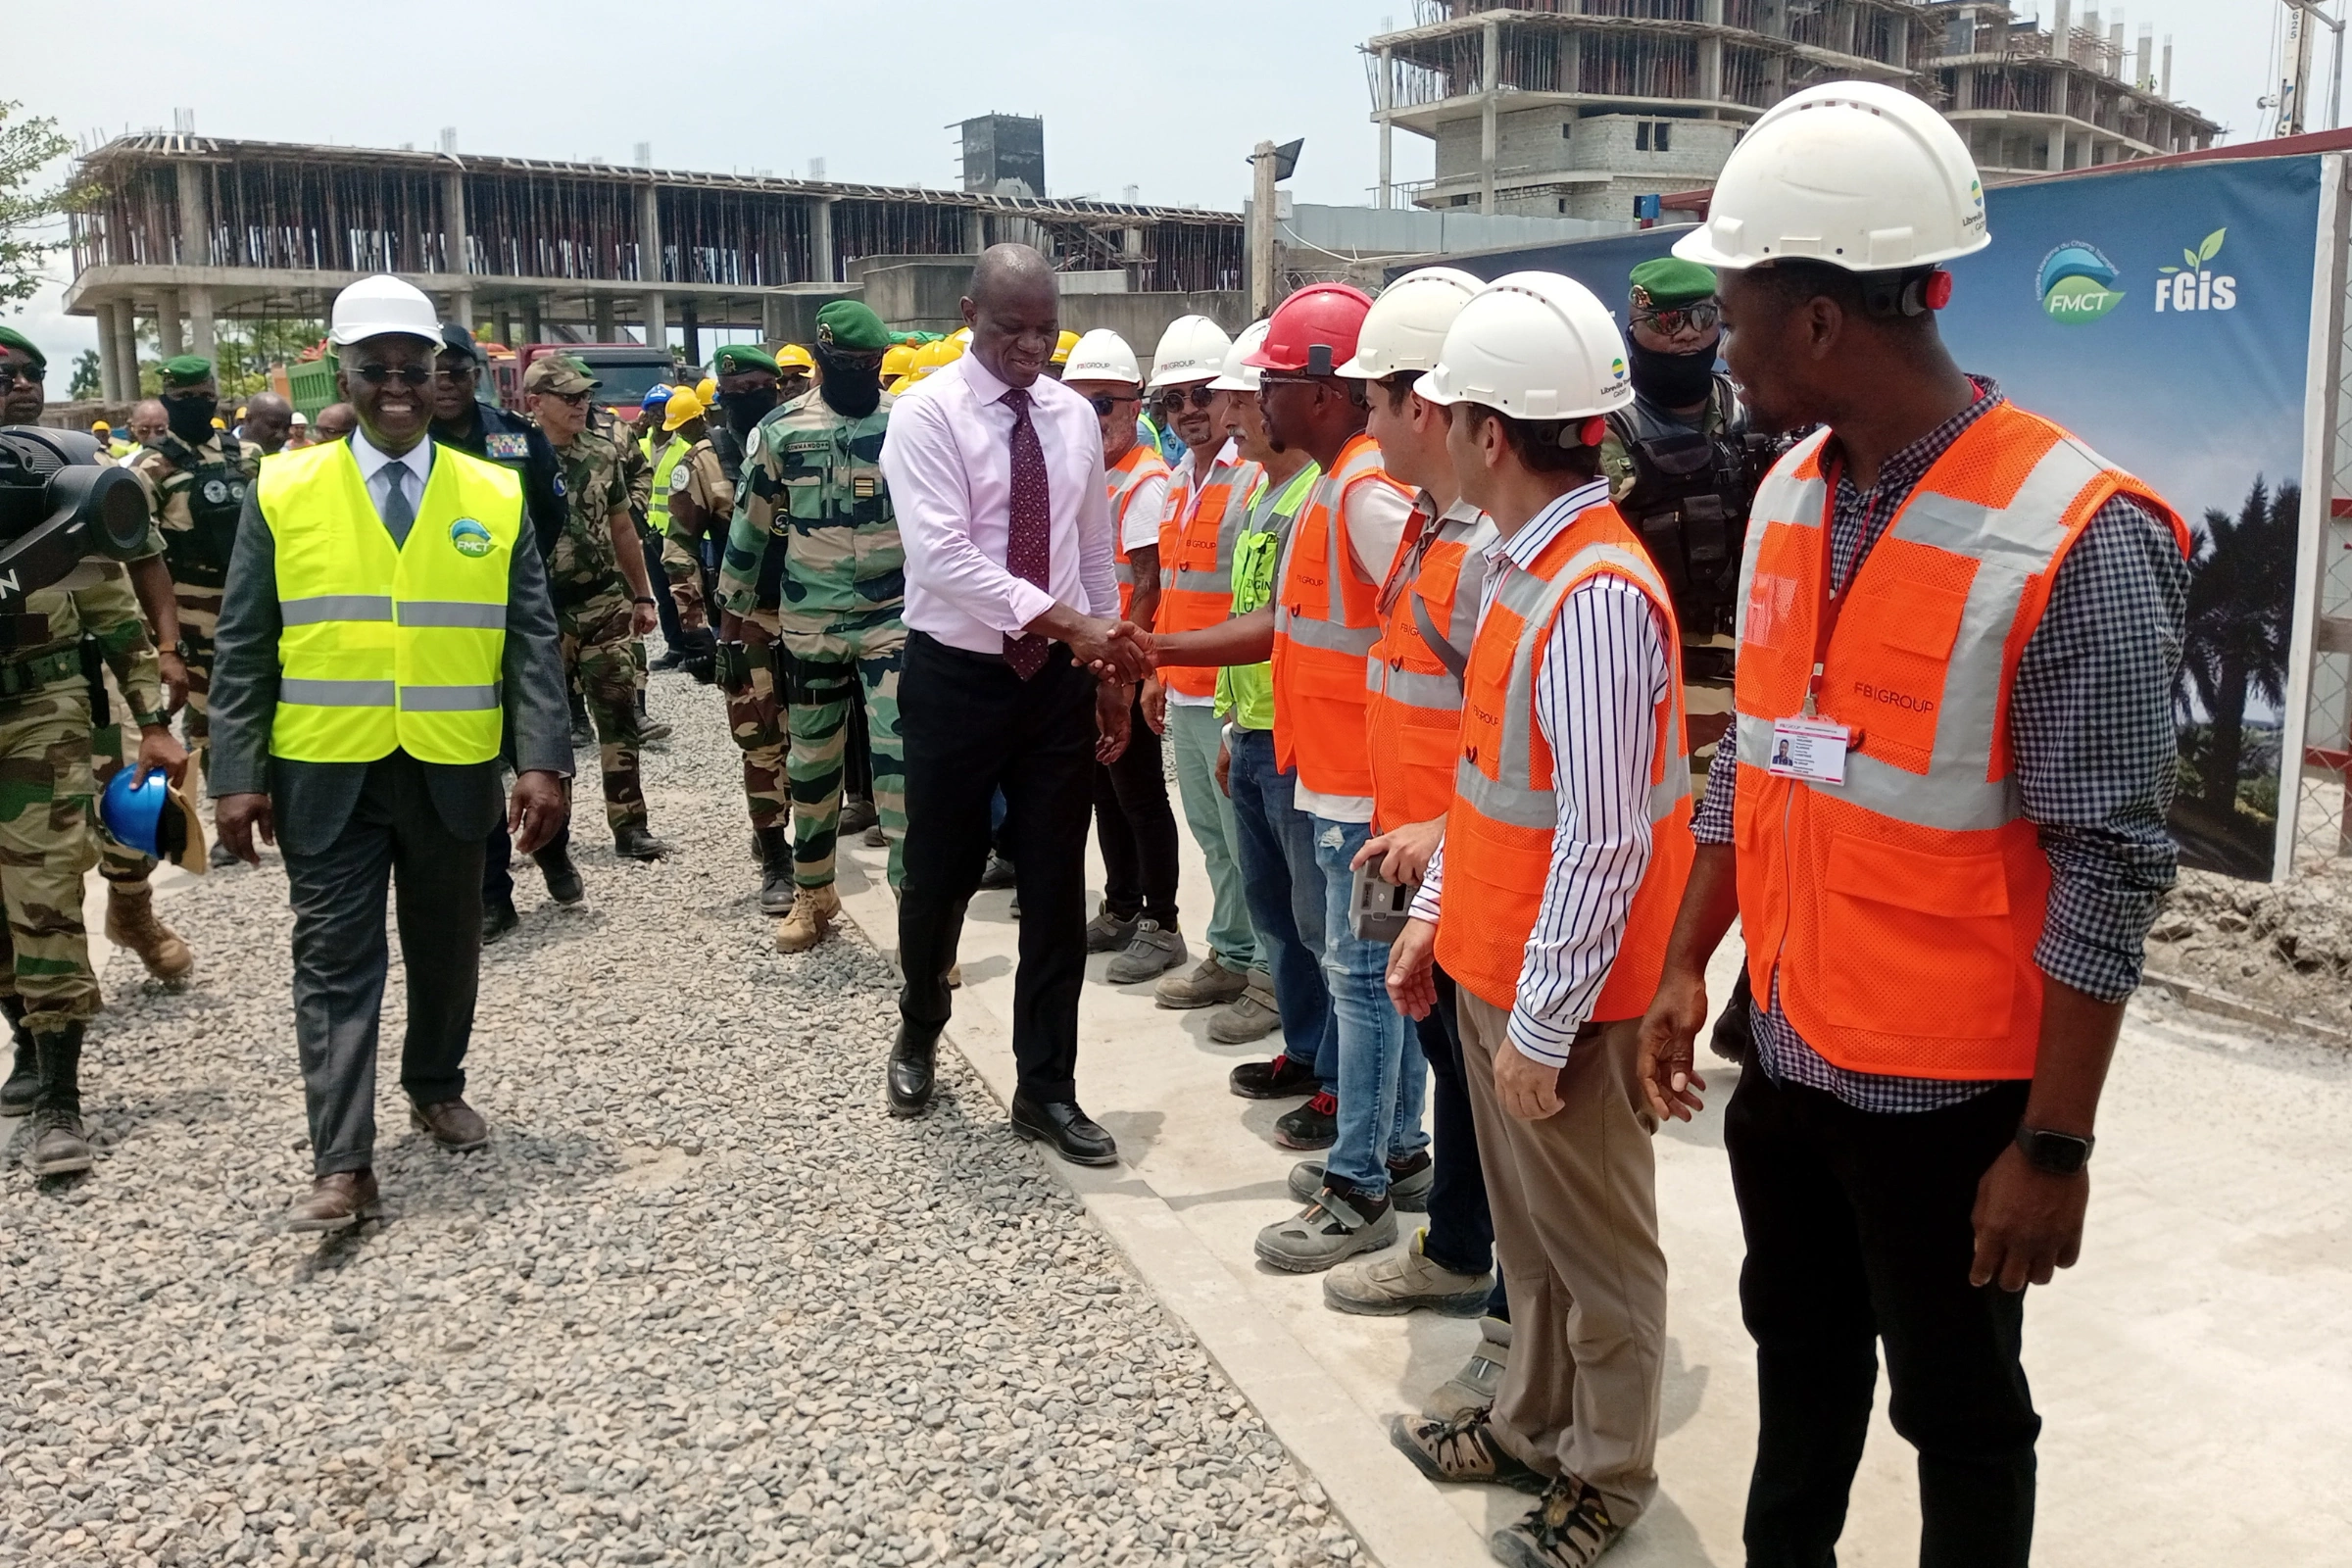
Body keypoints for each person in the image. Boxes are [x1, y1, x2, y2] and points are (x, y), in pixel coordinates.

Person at [1634, 83, 2191, 1568]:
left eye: (1738, 308)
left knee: (1960, 1413)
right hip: (1794, 1050)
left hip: (1953, 1107)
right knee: (1797, 1370)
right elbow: (1756, 763)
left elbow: (2113, 864)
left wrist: (2054, 1146)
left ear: (1820, 322)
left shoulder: (2076, 536)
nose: (1719, 344)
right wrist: (1693, 963)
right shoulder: (1791, 495)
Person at [1377, 270, 1684, 1568]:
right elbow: (1488, 785)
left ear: (1489, 433)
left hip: (1564, 998)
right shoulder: (1517, 566)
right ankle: (1529, 1420)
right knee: (1536, 1246)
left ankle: (1606, 1475)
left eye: (1444, 412)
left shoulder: (1597, 595)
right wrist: (1435, 924)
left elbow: (1606, 841)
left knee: (1598, 1258)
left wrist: (1545, 1029)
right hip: (1499, 969)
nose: (1432, 431)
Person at [209, 274, 570, 1230]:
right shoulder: (283, 489)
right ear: (347, 371)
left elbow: (531, 638)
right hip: (325, 768)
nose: (399, 385)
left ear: (439, 373)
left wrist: (542, 757)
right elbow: (243, 644)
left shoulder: (492, 492)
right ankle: (343, 1160)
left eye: (417, 368)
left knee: (447, 946)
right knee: (332, 957)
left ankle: (435, 1079)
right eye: (378, 368)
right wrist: (235, 772)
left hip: (452, 766)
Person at [878, 243, 1148, 1162]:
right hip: (959, 679)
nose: (1031, 347)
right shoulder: (925, 416)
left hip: (1057, 689)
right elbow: (944, 560)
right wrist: (1066, 621)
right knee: (939, 872)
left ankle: (1046, 1088)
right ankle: (921, 1020)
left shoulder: (1071, 417)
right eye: (1011, 329)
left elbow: (1094, 549)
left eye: (1045, 327)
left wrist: (1110, 669)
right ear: (969, 312)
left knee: (1052, 884)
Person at [1320, 267, 1501, 1321]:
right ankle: (1458, 1245)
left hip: (1470, 861)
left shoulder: (1485, 551)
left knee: (1477, 1086)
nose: (1366, 418)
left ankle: (1469, 1260)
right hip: (1422, 854)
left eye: (1375, 399)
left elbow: (1530, 742)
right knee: (1452, 1072)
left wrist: (1445, 834)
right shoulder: (1436, 529)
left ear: (1422, 407)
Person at [1247, 284, 1429, 1271]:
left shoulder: (1364, 491)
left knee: (1362, 986)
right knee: (1375, 986)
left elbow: (1443, 620)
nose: (1259, 403)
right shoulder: (1341, 480)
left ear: (1324, 391)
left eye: (1272, 383)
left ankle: (1357, 1184)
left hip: (1367, 800)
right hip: (1347, 786)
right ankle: (1397, 1148)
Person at [0, 326, 187, 1177]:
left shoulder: (47, 485)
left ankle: (60, 1101)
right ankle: (28, 1048)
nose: (19, 389)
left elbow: (115, 608)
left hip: (38, 708)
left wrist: (153, 719)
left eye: (28, 375)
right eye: (4, 377)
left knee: (41, 892)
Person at [718, 300, 907, 951]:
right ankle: (813, 893)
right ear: (823, 361)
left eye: (873, 363)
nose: (865, 373)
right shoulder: (782, 431)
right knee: (813, 765)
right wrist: (732, 618)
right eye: (850, 363)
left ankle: (920, 923)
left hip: (894, 621)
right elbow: (748, 529)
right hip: (812, 624)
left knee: (902, 769)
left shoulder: (906, 424)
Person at [427, 322, 577, 942]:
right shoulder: (409, 446)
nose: (445, 384)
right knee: (473, 763)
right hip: (441, 626)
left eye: (458, 372)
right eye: (434, 372)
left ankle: (552, 849)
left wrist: (516, 572)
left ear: (474, 375)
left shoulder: (513, 438)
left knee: (534, 745)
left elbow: (550, 509)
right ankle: (492, 891)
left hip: (512, 617)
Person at [1061, 327, 1184, 977]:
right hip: (1093, 660)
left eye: (1106, 403)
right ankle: (1119, 905)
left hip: (1124, 664)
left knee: (1137, 794)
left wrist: (1127, 677)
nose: (1094, 418)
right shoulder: (1085, 474)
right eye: (1081, 404)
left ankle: (1161, 921)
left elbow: (1148, 583)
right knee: (1105, 790)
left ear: (1135, 406)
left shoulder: (1145, 479)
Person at [1143, 313, 1256, 1000]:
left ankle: (1267, 974)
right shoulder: (1181, 480)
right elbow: (1173, 588)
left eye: (1200, 395)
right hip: (1184, 690)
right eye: (1173, 400)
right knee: (1212, 837)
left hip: (1229, 693)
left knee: (1249, 847)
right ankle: (1232, 951)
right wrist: (1158, 673)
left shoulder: (1249, 481)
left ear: (1230, 396)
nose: (1188, 412)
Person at [524, 354, 670, 862]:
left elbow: (622, 527)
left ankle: (630, 827)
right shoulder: (513, 456)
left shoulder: (603, 452)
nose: (581, 404)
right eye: (569, 397)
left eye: (585, 395)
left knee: (618, 713)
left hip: (603, 603)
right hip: (539, 613)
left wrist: (643, 594)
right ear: (536, 403)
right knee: (549, 732)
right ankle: (552, 841)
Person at [126, 356, 256, 852]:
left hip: (247, 599)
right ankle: (209, 825)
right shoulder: (150, 466)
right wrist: (165, 643)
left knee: (253, 705)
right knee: (206, 715)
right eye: (184, 400)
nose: (197, 406)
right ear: (167, 400)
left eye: (205, 396)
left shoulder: (246, 455)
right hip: (190, 609)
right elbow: (141, 553)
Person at [648, 385, 720, 681]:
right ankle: (679, 646)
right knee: (668, 596)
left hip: (700, 537)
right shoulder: (678, 452)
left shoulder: (696, 455)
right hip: (666, 532)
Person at [242, 391, 296, 456]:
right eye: (273, 426)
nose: (280, 435)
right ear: (249, 419)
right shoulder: (229, 460)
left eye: (286, 428)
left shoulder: (290, 459)